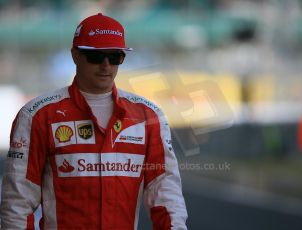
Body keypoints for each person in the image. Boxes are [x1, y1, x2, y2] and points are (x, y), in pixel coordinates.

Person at [0, 13, 188, 229]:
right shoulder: (38, 115)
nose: (106, 65)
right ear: (75, 55)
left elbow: (166, 193)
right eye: (96, 56)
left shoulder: (148, 116)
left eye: (115, 56)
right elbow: (17, 201)